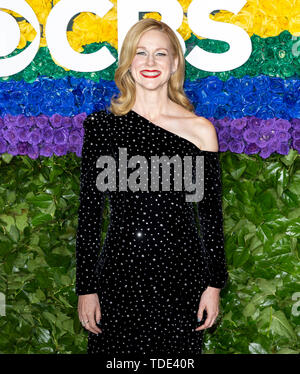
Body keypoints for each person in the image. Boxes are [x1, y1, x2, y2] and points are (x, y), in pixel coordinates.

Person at [75, 18, 228, 356]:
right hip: (118, 275)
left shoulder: (200, 131)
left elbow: (210, 218)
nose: (150, 63)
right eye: (140, 53)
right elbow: (89, 214)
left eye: (160, 54)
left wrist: (214, 283)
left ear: (175, 63)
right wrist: (85, 287)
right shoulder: (102, 127)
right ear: (128, 61)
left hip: (181, 278)